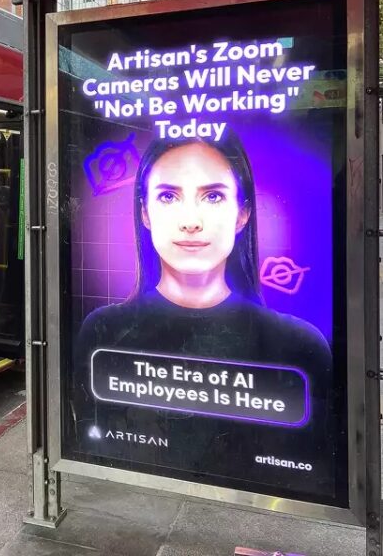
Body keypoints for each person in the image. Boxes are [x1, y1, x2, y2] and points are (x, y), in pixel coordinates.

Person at [70, 129, 336, 498]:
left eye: (212, 196)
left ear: (242, 213)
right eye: (168, 196)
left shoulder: (300, 344)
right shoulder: (102, 330)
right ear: (145, 213)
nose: (190, 221)